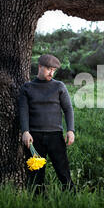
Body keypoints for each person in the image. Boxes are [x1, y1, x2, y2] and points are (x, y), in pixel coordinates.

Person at [18, 54, 75, 194]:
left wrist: (70, 130)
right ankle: (39, 204)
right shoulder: (27, 88)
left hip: (55, 136)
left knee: (63, 171)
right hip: (34, 138)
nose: (51, 72)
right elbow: (23, 111)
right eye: (49, 69)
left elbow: (68, 109)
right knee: (36, 176)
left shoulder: (59, 86)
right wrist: (25, 131)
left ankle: (72, 198)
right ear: (40, 67)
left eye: (54, 70)